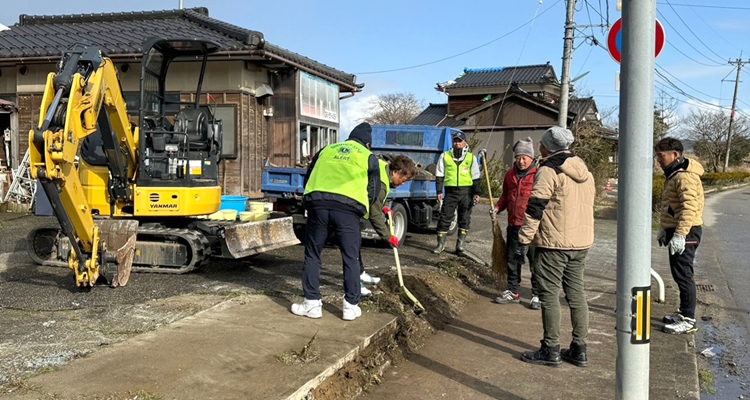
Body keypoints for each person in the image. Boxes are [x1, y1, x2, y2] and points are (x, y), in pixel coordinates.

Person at [517, 126, 595, 368]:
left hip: (554, 244)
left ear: (547, 147)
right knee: (576, 294)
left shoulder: (549, 170)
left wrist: (524, 238)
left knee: (549, 296)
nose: (539, 146)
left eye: (541, 143)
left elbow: (536, 207)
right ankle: (579, 349)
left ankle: (550, 349)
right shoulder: (586, 172)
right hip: (581, 243)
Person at [291, 123, 379, 321]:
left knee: (313, 254)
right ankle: (351, 306)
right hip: (348, 210)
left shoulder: (327, 150)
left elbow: (309, 176)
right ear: (367, 143)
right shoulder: (368, 156)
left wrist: (312, 201)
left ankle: (312, 304)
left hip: (319, 205)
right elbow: (373, 191)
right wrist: (361, 211)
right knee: (350, 257)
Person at [655, 137, 704, 335]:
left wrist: (680, 235)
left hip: (687, 231)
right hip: (679, 230)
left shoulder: (685, 176)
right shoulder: (675, 174)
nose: (658, 160)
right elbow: (672, 207)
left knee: (684, 276)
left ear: (675, 155)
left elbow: (689, 208)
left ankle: (689, 320)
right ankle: (684, 313)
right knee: (678, 274)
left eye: (661, 155)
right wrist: (664, 228)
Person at [492, 137, 540, 310]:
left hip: (533, 227)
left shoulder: (538, 175)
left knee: (535, 261)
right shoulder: (510, 175)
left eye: (524, 157)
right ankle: (513, 291)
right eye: (518, 157)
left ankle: (537, 295)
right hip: (513, 226)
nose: (521, 161)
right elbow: (505, 196)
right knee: (512, 260)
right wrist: (498, 207)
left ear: (531, 157)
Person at [359, 155, 417, 296]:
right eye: (404, 179)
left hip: (352, 210)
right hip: (350, 211)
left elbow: (376, 198)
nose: (403, 183)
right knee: (351, 249)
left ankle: (359, 275)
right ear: (396, 172)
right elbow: (374, 215)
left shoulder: (382, 168)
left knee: (353, 249)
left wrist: (384, 206)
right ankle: (356, 285)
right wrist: (388, 237)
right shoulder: (382, 184)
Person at [432, 131, 481, 255]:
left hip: (466, 192)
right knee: (444, 218)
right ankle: (440, 244)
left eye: (460, 141)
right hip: (450, 192)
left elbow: (476, 177)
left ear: (465, 143)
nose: (457, 143)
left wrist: (477, 193)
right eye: (455, 141)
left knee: (464, 218)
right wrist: (439, 190)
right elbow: (439, 174)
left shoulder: (471, 158)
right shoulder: (445, 156)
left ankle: (460, 245)